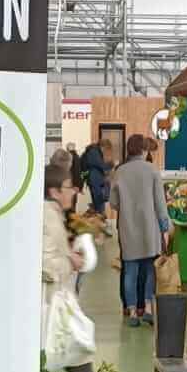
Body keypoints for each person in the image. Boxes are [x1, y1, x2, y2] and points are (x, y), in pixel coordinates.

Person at [108, 134, 170, 328]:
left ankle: (133, 312)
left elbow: (114, 203)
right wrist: (165, 228)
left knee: (130, 272)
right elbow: (160, 204)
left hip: (128, 228)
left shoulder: (120, 172)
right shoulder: (152, 171)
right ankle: (149, 310)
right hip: (148, 230)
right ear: (144, 150)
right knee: (149, 271)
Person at [42, 160, 86, 332]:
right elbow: (47, 262)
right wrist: (71, 262)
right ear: (54, 191)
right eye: (68, 187)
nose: (73, 192)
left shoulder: (54, 214)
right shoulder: (48, 215)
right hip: (49, 302)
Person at [81, 138, 109, 213]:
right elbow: (100, 165)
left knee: (98, 203)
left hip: (95, 180)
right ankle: (99, 219)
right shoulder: (94, 152)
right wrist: (111, 164)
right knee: (99, 204)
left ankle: (98, 217)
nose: (105, 151)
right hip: (95, 180)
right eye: (105, 149)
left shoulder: (94, 151)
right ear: (103, 146)